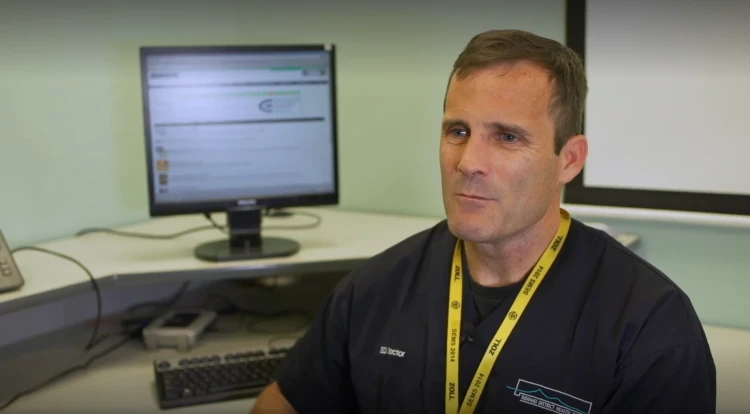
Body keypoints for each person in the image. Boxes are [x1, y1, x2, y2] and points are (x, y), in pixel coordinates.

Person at [251, 29, 716, 414]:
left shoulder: (651, 329)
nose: (468, 161)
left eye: (507, 137)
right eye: (458, 131)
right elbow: (283, 402)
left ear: (569, 160)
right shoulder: (375, 288)